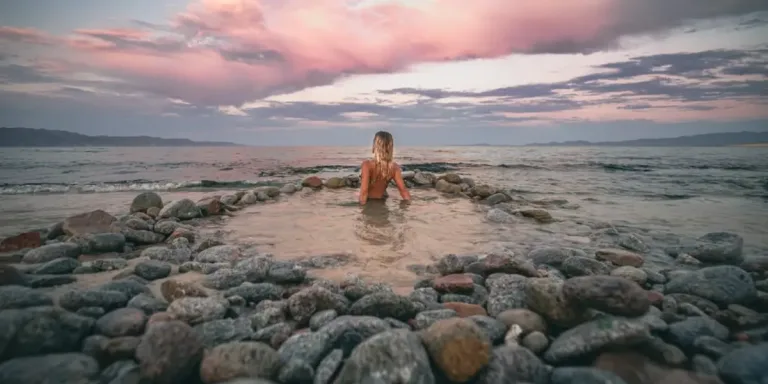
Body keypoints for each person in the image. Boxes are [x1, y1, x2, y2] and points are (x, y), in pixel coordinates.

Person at [358, 130, 411, 205]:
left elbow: (364, 192)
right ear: (390, 148)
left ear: (375, 146)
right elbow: (403, 191)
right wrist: (409, 205)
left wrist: (361, 208)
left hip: (369, 202)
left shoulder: (367, 165)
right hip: (382, 202)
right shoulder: (394, 167)